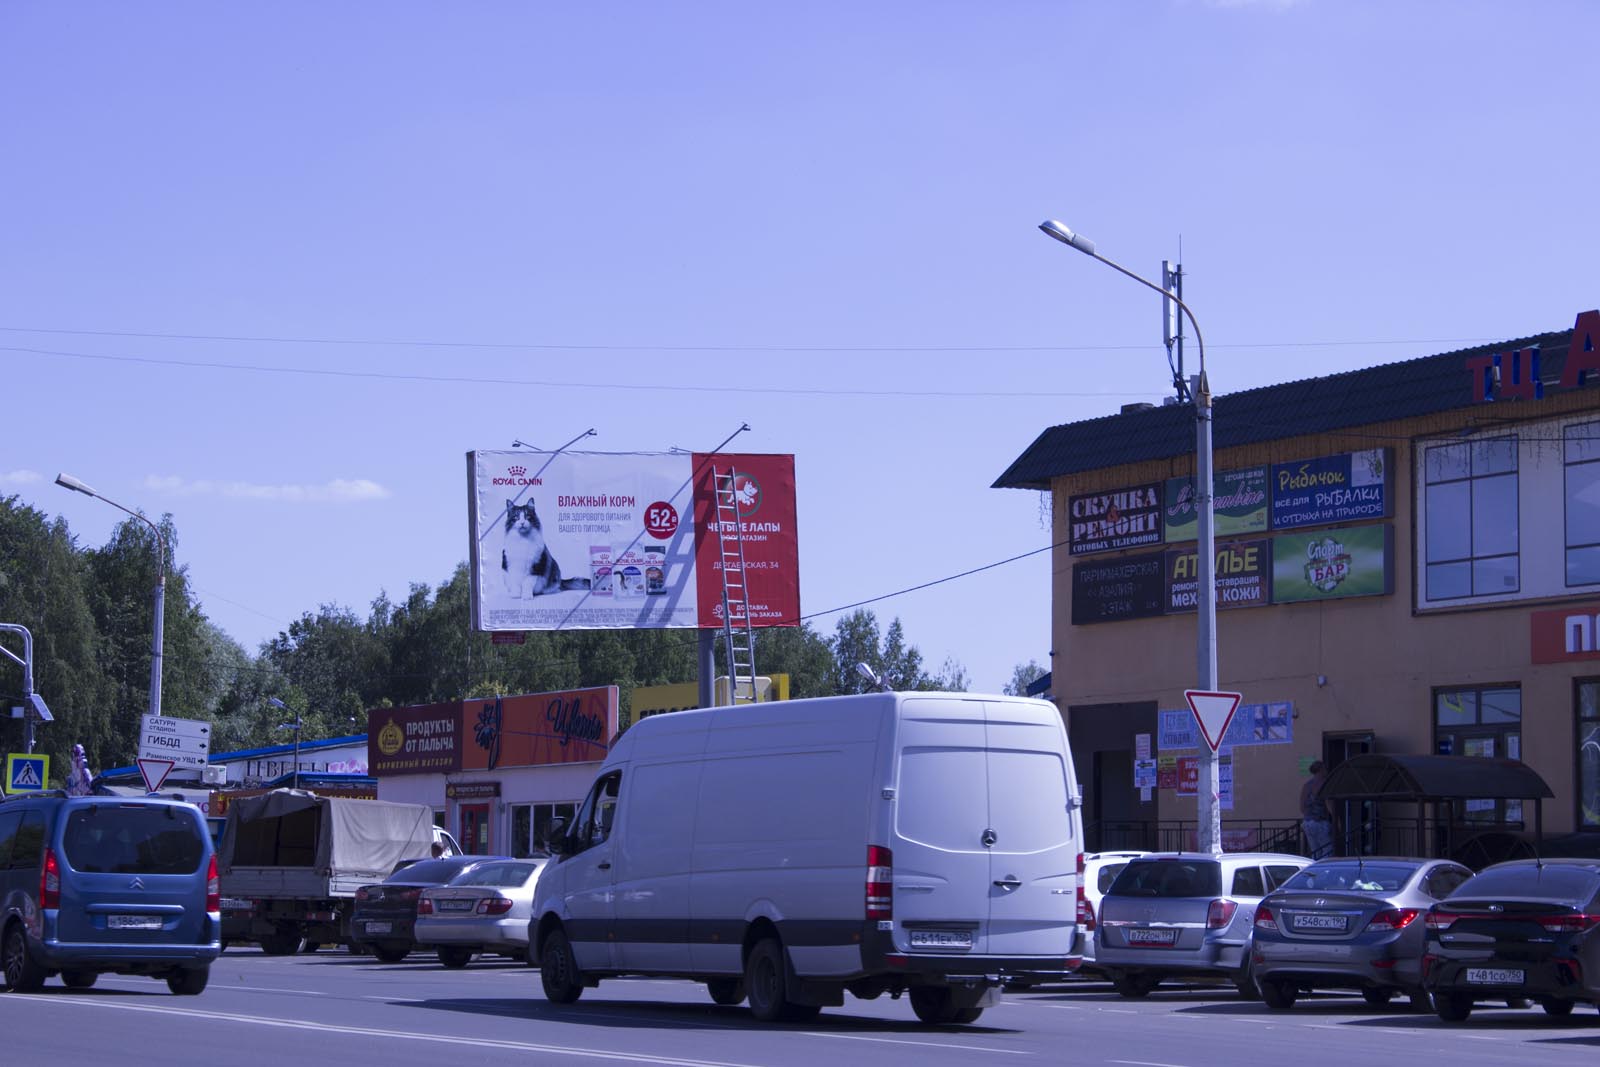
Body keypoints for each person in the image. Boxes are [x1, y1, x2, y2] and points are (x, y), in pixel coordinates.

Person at [1300, 761, 1334, 858]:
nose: (1326, 771)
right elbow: (1329, 805)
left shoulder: (1306, 786)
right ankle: (1325, 867)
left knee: (1315, 852)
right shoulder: (1324, 784)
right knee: (1328, 850)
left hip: (1307, 822)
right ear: (1321, 770)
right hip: (1320, 822)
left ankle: (1316, 866)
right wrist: (1336, 819)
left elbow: (1301, 807)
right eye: (1325, 769)